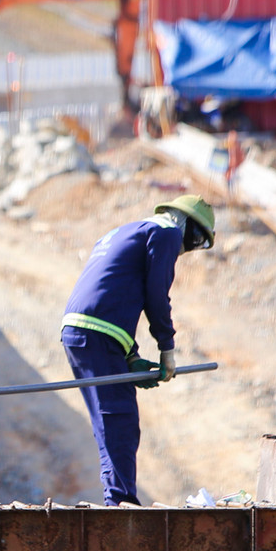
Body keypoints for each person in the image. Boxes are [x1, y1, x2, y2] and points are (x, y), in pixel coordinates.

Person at [61, 193, 215, 506]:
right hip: (98, 333)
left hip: (80, 331)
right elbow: (156, 294)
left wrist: (130, 357)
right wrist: (167, 348)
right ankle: (120, 503)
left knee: (110, 419)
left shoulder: (125, 231)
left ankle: (117, 499)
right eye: (197, 239)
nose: (190, 248)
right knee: (119, 419)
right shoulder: (167, 232)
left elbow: (113, 290)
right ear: (186, 224)